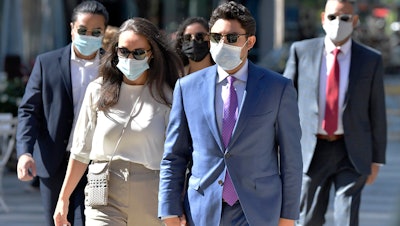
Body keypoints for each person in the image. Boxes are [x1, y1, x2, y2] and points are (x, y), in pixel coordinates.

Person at [158, 1, 303, 226]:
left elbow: (291, 159)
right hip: (202, 210)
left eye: (232, 38)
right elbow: (174, 155)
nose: (223, 44)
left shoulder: (278, 88)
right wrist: (169, 209)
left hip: (258, 211)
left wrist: (288, 216)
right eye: (216, 38)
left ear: (250, 41)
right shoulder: (187, 88)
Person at [53, 17, 183, 226]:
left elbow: (178, 156)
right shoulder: (97, 90)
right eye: (123, 51)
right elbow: (81, 150)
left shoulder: (168, 96)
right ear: (115, 52)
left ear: (151, 55)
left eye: (138, 52)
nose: (130, 58)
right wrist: (63, 198)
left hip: (152, 192)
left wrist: (176, 204)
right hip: (103, 190)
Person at [283, 0, 387, 225]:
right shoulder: (301, 51)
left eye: (345, 18)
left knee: (346, 218)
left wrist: (377, 160)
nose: (337, 22)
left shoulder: (370, 60)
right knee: (308, 218)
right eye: (332, 17)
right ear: (323, 18)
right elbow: (284, 103)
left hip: (351, 151)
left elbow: (377, 111)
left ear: (355, 21)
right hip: (312, 150)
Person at [15, 1, 109, 225]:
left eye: (96, 31)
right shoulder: (46, 63)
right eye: (83, 30)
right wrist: (24, 152)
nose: (89, 36)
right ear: (72, 28)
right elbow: (29, 110)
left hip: (97, 163)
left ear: (104, 32)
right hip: (54, 160)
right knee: (57, 220)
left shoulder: (112, 65)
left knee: (90, 221)